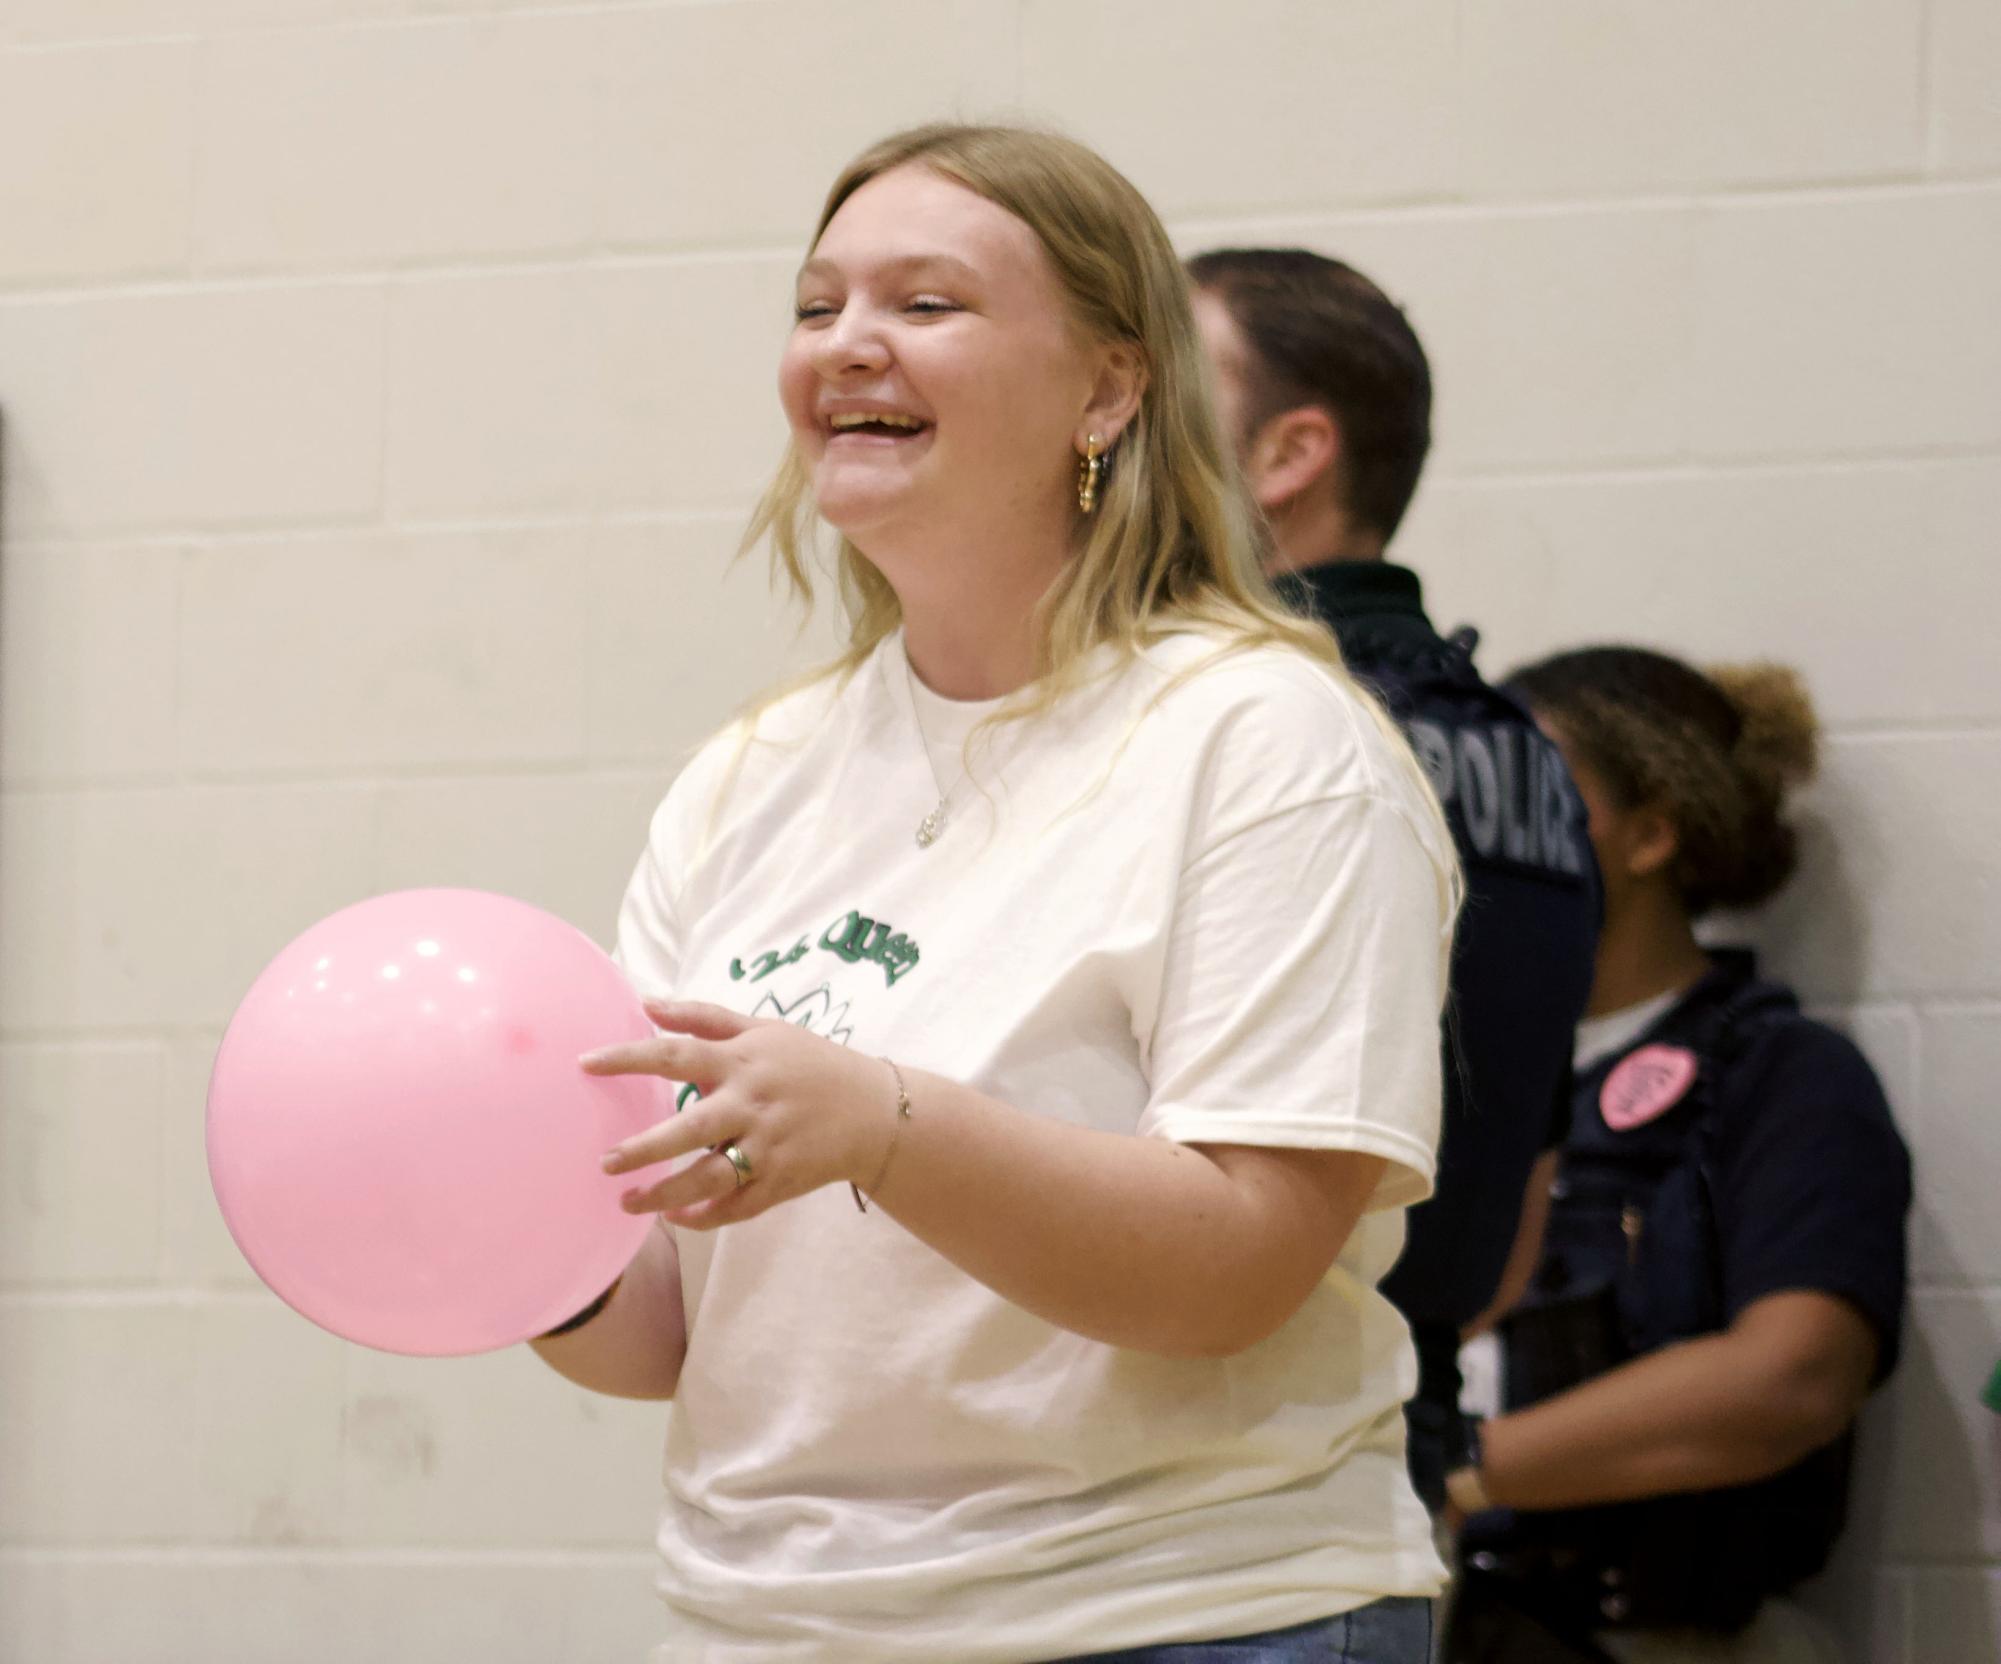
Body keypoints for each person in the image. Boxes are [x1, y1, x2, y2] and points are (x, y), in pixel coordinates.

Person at [527, 125, 1462, 1663]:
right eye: (816, 306)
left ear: (1107, 386)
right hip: (771, 1623)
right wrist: (500, 1231)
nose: (847, 347)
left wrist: (883, 1124)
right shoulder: (748, 773)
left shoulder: (1269, 744)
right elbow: (663, 1335)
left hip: (1180, 1616)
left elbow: (1236, 1268)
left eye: (926, 305)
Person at [1187, 248, 1600, 1511]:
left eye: (1161, 384)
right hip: (1394, 1443)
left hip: (1211, 1466)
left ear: (1288, 452)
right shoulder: (1532, 753)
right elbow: (1518, 1223)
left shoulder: (1260, 725)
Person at [1444, 648, 1912, 1664]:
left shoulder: (1779, 1074)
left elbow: (1792, 1373)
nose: (1491, 829)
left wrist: (1459, 1467)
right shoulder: (1444, 1067)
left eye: (1532, 789)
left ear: (1650, 834)